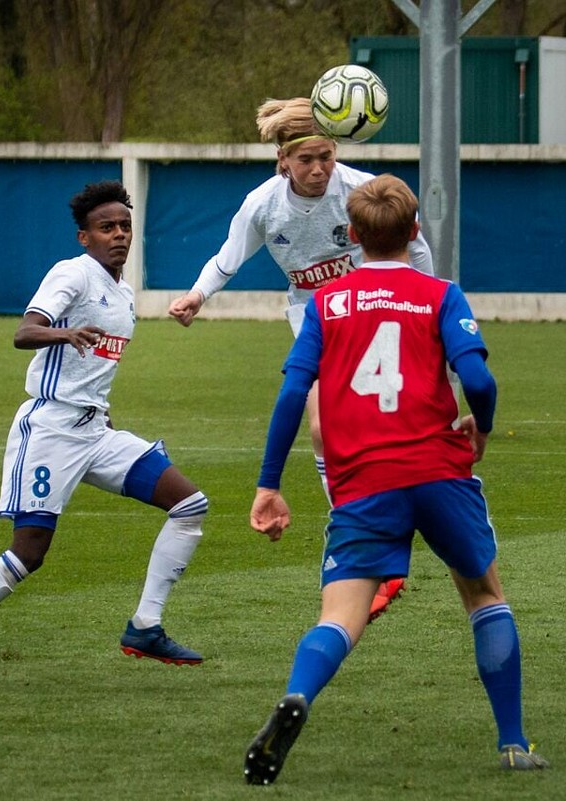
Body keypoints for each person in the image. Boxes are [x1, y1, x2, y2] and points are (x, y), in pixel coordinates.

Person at [242, 174, 549, 785]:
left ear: (352, 237)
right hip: (438, 471)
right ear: (415, 232)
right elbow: (480, 382)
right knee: (484, 594)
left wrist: (268, 484)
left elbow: (292, 393)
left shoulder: (327, 305)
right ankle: (513, 743)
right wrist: (480, 426)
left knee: (340, 616)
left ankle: (299, 696)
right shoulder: (441, 295)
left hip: (363, 481)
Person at [0, 180, 207, 693]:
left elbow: (94, 370)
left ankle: (145, 627)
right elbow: (25, 331)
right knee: (29, 554)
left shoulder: (122, 291)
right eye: (106, 227)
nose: (118, 235)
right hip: (49, 431)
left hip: (95, 431)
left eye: (125, 227)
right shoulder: (73, 273)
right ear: (84, 236)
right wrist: (64, 332)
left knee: (190, 503)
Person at [167, 97, 432, 620]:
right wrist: (198, 295)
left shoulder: (362, 190)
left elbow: (417, 248)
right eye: (306, 159)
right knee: (320, 426)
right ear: (283, 160)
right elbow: (228, 257)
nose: (317, 169)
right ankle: (358, 537)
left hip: (375, 308)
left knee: (391, 423)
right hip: (314, 318)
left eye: (326, 157)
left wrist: (431, 301)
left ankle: (385, 531)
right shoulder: (264, 204)